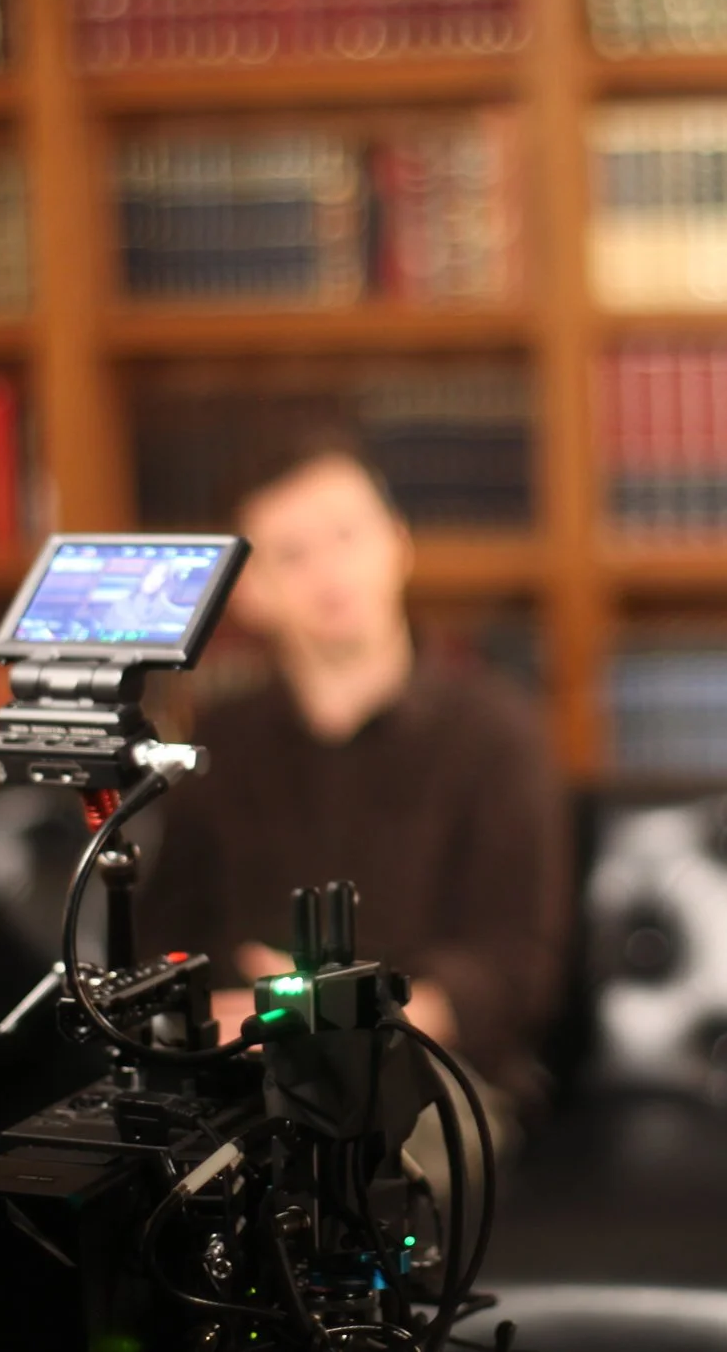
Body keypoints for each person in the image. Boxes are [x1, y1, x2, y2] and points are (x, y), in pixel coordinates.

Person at [136, 434, 572, 1143]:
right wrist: (251, 1015)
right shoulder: (220, 742)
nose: (328, 570)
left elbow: (520, 966)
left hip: (429, 1071)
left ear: (397, 543)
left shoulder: (496, 731)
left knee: (348, 1153)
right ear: (250, 592)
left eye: (346, 534)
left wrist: (343, 1013)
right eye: (291, 554)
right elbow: (169, 934)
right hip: (248, 1062)